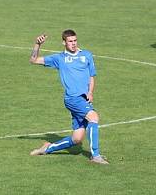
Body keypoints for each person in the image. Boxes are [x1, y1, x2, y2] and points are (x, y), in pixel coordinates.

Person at [28, 30, 108, 165]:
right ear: (64, 42)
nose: (73, 44)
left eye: (75, 41)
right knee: (93, 117)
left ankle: (47, 148)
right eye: (70, 41)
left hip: (84, 99)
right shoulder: (59, 58)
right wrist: (37, 44)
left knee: (77, 139)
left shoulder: (87, 55)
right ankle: (96, 155)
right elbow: (33, 60)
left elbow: (91, 76)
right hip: (73, 99)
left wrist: (90, 92)